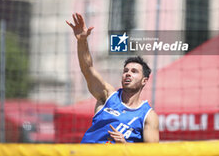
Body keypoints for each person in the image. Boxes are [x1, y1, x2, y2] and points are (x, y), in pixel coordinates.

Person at [66, 13, 159, 143]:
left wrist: (125, 146)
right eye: (125, 70)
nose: (128, 73)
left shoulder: (148, 116)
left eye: (134, 71)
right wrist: (82, 41)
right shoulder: (108, 96)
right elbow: (88, 69)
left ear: (144, 80)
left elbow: (152, 153)